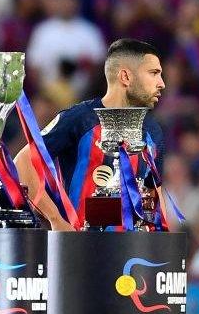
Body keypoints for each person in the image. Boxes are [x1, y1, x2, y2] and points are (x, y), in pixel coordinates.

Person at [14, 38, 167, 231]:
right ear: (125, 77)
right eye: (153, 73)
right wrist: (56, 220)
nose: (161, 83)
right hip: (81, 250)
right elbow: (23, 162)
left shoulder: (153, 130)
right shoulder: (80, 119)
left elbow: (155, 194)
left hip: (133, 252)